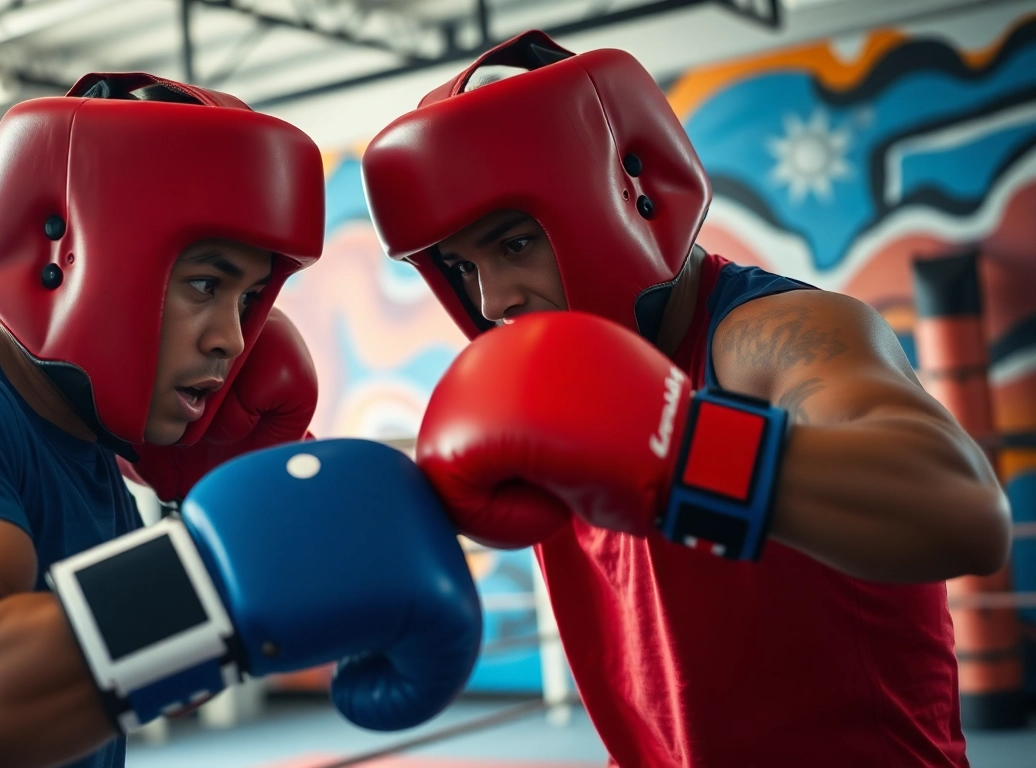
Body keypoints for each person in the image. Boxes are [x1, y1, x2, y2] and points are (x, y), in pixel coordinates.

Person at [0, 73, 482, 768]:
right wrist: (226, 569)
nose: (233, 337)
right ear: (63, 261)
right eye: (205, 283)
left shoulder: (92, 448)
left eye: (249, 296)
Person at [361, 31, 1012, 767]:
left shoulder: (775, 336)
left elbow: (963, 512)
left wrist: (682, 453)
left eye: (514, 246)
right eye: (461, 267)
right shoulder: (540, 391)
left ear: (632, 194)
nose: (494, 300)